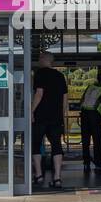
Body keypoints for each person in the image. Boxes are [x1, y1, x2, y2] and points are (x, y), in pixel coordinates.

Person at [31, 51, 68, 189]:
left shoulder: (39, 74)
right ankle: (57, 178)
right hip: (56, 117)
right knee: (56, 146)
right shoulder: (60, 76)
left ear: (43, 59)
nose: (38, 60)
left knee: (36, 145)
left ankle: (39, 175)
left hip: (41, 116)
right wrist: (62, 115)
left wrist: (31, 111)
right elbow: (65, 98)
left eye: (39, 58)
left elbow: (39, 94)